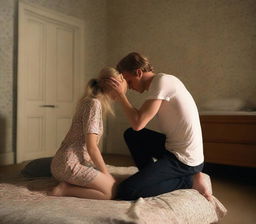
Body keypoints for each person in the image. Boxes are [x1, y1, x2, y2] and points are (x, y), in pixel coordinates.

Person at [108, 52, 212, 201]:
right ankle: (149, 175)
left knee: (126, 191)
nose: (129, 87)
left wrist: (121, 96)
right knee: (131, 134)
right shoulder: (160, 83)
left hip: (185, 160)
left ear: (138, 72)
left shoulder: (163, 82)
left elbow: (138, 123)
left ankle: (189, 181)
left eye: (129, 82)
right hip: (173, 147)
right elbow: (136, 125)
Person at [48, 67, 125, 200]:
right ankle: (64, 189)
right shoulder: (94, 104)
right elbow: (92, 147)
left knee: (117, 183)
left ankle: (71, 183)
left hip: (65, 162)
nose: (124, 91)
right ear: (114, 85)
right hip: (69, 164)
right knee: (110, 192)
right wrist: (106, 174)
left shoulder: (90, 101)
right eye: (123, 87)